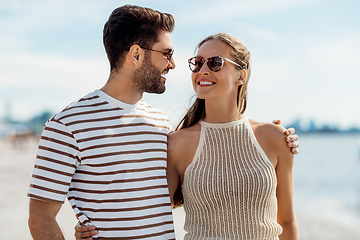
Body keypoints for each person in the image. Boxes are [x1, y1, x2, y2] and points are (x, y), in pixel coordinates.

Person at [28, 5, 299, 240]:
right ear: (136, 55)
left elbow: (169, 197)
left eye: (214, 62)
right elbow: (40, 215)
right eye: (167, 54)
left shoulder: (160, 124)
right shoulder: (67, 124)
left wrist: (270, 139)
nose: (173, 65)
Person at [166, 33, 299, 239]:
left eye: (215, 63)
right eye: (198, 63)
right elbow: (150, 214)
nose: (203, 71)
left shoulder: (274, 137)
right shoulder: (176, 143)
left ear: (241, 76)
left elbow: (287, 221)